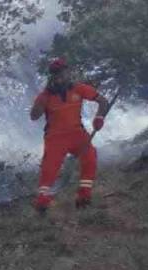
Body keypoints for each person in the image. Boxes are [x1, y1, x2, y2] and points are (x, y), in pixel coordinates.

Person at [30, 57, 112, 213]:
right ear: (52, 76)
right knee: (49, 169)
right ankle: (42, 202)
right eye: (56, 74)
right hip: (54, 138)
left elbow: (103, 101)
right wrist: (39, 103)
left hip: (77, 134)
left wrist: (99, 117)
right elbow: (34, 117)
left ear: (68, 72)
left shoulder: (79, 89)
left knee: (90, 157)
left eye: (63, 72)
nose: (60, 76)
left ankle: (84, 197)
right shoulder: (45, 96)